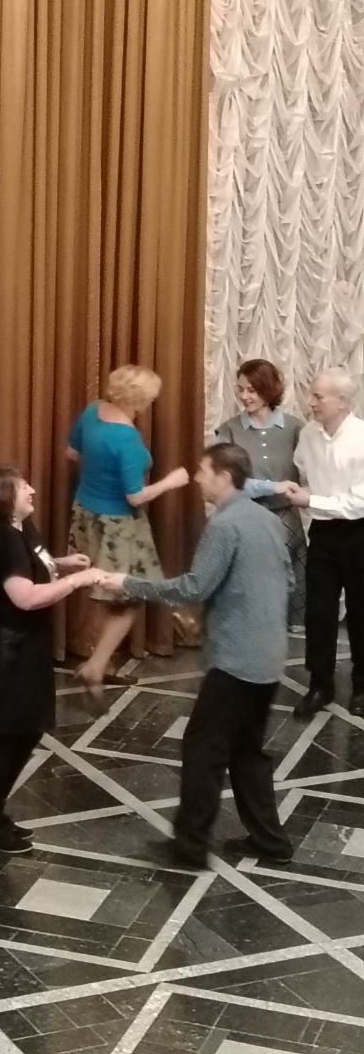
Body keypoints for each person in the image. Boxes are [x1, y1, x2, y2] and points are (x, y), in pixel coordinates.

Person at [102, 443, 293, 869]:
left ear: (224, 477)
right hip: (269, 655)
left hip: (236, 661)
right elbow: (288, 580)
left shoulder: (224, 526)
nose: (197, 478)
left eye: (204, 471)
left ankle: (189, 848)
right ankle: (271, 843)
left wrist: (127, 583)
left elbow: (193, 587)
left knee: (203, 749)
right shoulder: (267, 520)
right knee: (247, 750)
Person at [0, 466, 102, 854]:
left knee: (27, 730)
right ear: (4, 497)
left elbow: (34, 563)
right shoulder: (2, 538)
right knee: (7, 734)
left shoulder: (22, 528)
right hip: (2, 648)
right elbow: (26, 597)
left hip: (23, 644)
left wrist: (62, 564)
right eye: (22, 487)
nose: (32, 490)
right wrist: (78, 581)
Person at [66, 365, 189, 705]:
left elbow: (72, 453)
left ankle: (97, 656)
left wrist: (99, 473)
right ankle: (95, 666)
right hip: (117, 525)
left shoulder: (92, 411)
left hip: (86, 513)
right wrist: (170, 482)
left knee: (99, 589)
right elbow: (135, 496)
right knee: (129, 597)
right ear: (140, 400)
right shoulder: (127, 439)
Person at [281, 369, 364, 719]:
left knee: (361, 612)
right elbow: (304, 471)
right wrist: (307, 494)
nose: (310, 402)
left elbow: (360, 502)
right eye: (311, 395)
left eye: (318, 396)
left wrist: (311, 500)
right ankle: (320, 684)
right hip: (324, 532)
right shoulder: (308, 435)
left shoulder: (362, 438)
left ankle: (362, 686)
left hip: (360, 533)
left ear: (342, 401)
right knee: (318, 611)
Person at [215, 358, 306, 630]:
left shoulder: (296, 428)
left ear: (269, 389)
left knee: (294, 561)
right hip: (245, 514)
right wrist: (272, 486)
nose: (244, 396)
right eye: (241, 389)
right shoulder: (228, 430)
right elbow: (228, 482)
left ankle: (294, 620)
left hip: (285, 515)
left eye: (252, 390)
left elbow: (310, 473)